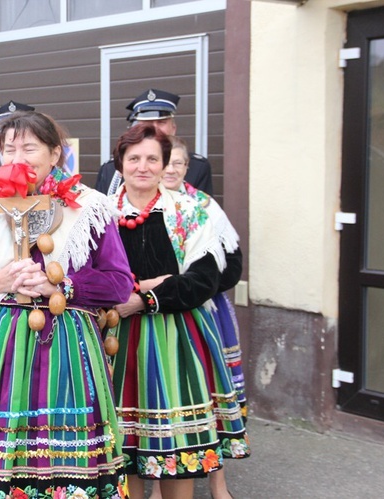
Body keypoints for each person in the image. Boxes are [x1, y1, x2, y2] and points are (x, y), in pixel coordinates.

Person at [0, 111, 133, 498]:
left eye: (29, 147)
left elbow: (119, 283)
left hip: (64, 348)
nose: (17, 156)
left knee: (58, 456)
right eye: (9, 148)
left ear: (55, 154)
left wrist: (62, 285)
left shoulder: (88, 207)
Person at [107, 123, 248, 499]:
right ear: (119, 163)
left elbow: (201, 282)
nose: (143, 166)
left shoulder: (190, 211)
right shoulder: (98, 215)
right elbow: (90, 279)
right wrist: (161, 281)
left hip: (177, 340)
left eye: (152, 158)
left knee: (177, 446)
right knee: (124, 447)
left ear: (165, 164)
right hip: (113, 342)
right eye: (133, 158)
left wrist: (142, 297)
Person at [158, 137, 249, 499]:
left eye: (178, 163)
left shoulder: (203, 206)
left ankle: (218, 483)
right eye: (167, 162)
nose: (170, 169)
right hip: (155, 312)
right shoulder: (132, 204)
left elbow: (231, 266)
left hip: (202, 310)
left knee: (208, 396)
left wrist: (191, 289)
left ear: (187, 168)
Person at [95, 88, 213, 197]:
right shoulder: (111, 169)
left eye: (161, 122)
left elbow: (204, 213)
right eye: (148, 123)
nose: (155, 129)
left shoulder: (197, 167)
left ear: (173, 128)